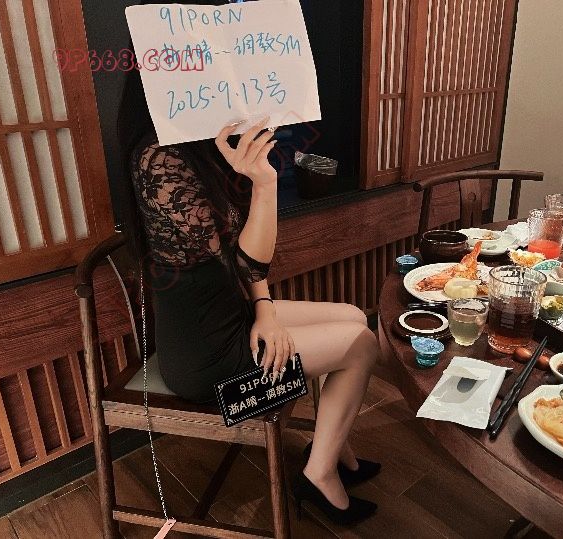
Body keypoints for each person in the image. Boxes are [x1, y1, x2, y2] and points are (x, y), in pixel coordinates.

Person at [116, 11, 381, 525]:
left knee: (353, 316)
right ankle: (319, 474)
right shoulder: (159, 159)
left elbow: (243, 263)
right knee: (361, 344)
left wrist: (266, 309)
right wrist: (264, 184)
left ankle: (332, 447)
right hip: (205, 358)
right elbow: (241, 257)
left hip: (233, 316)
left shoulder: (203, 141)